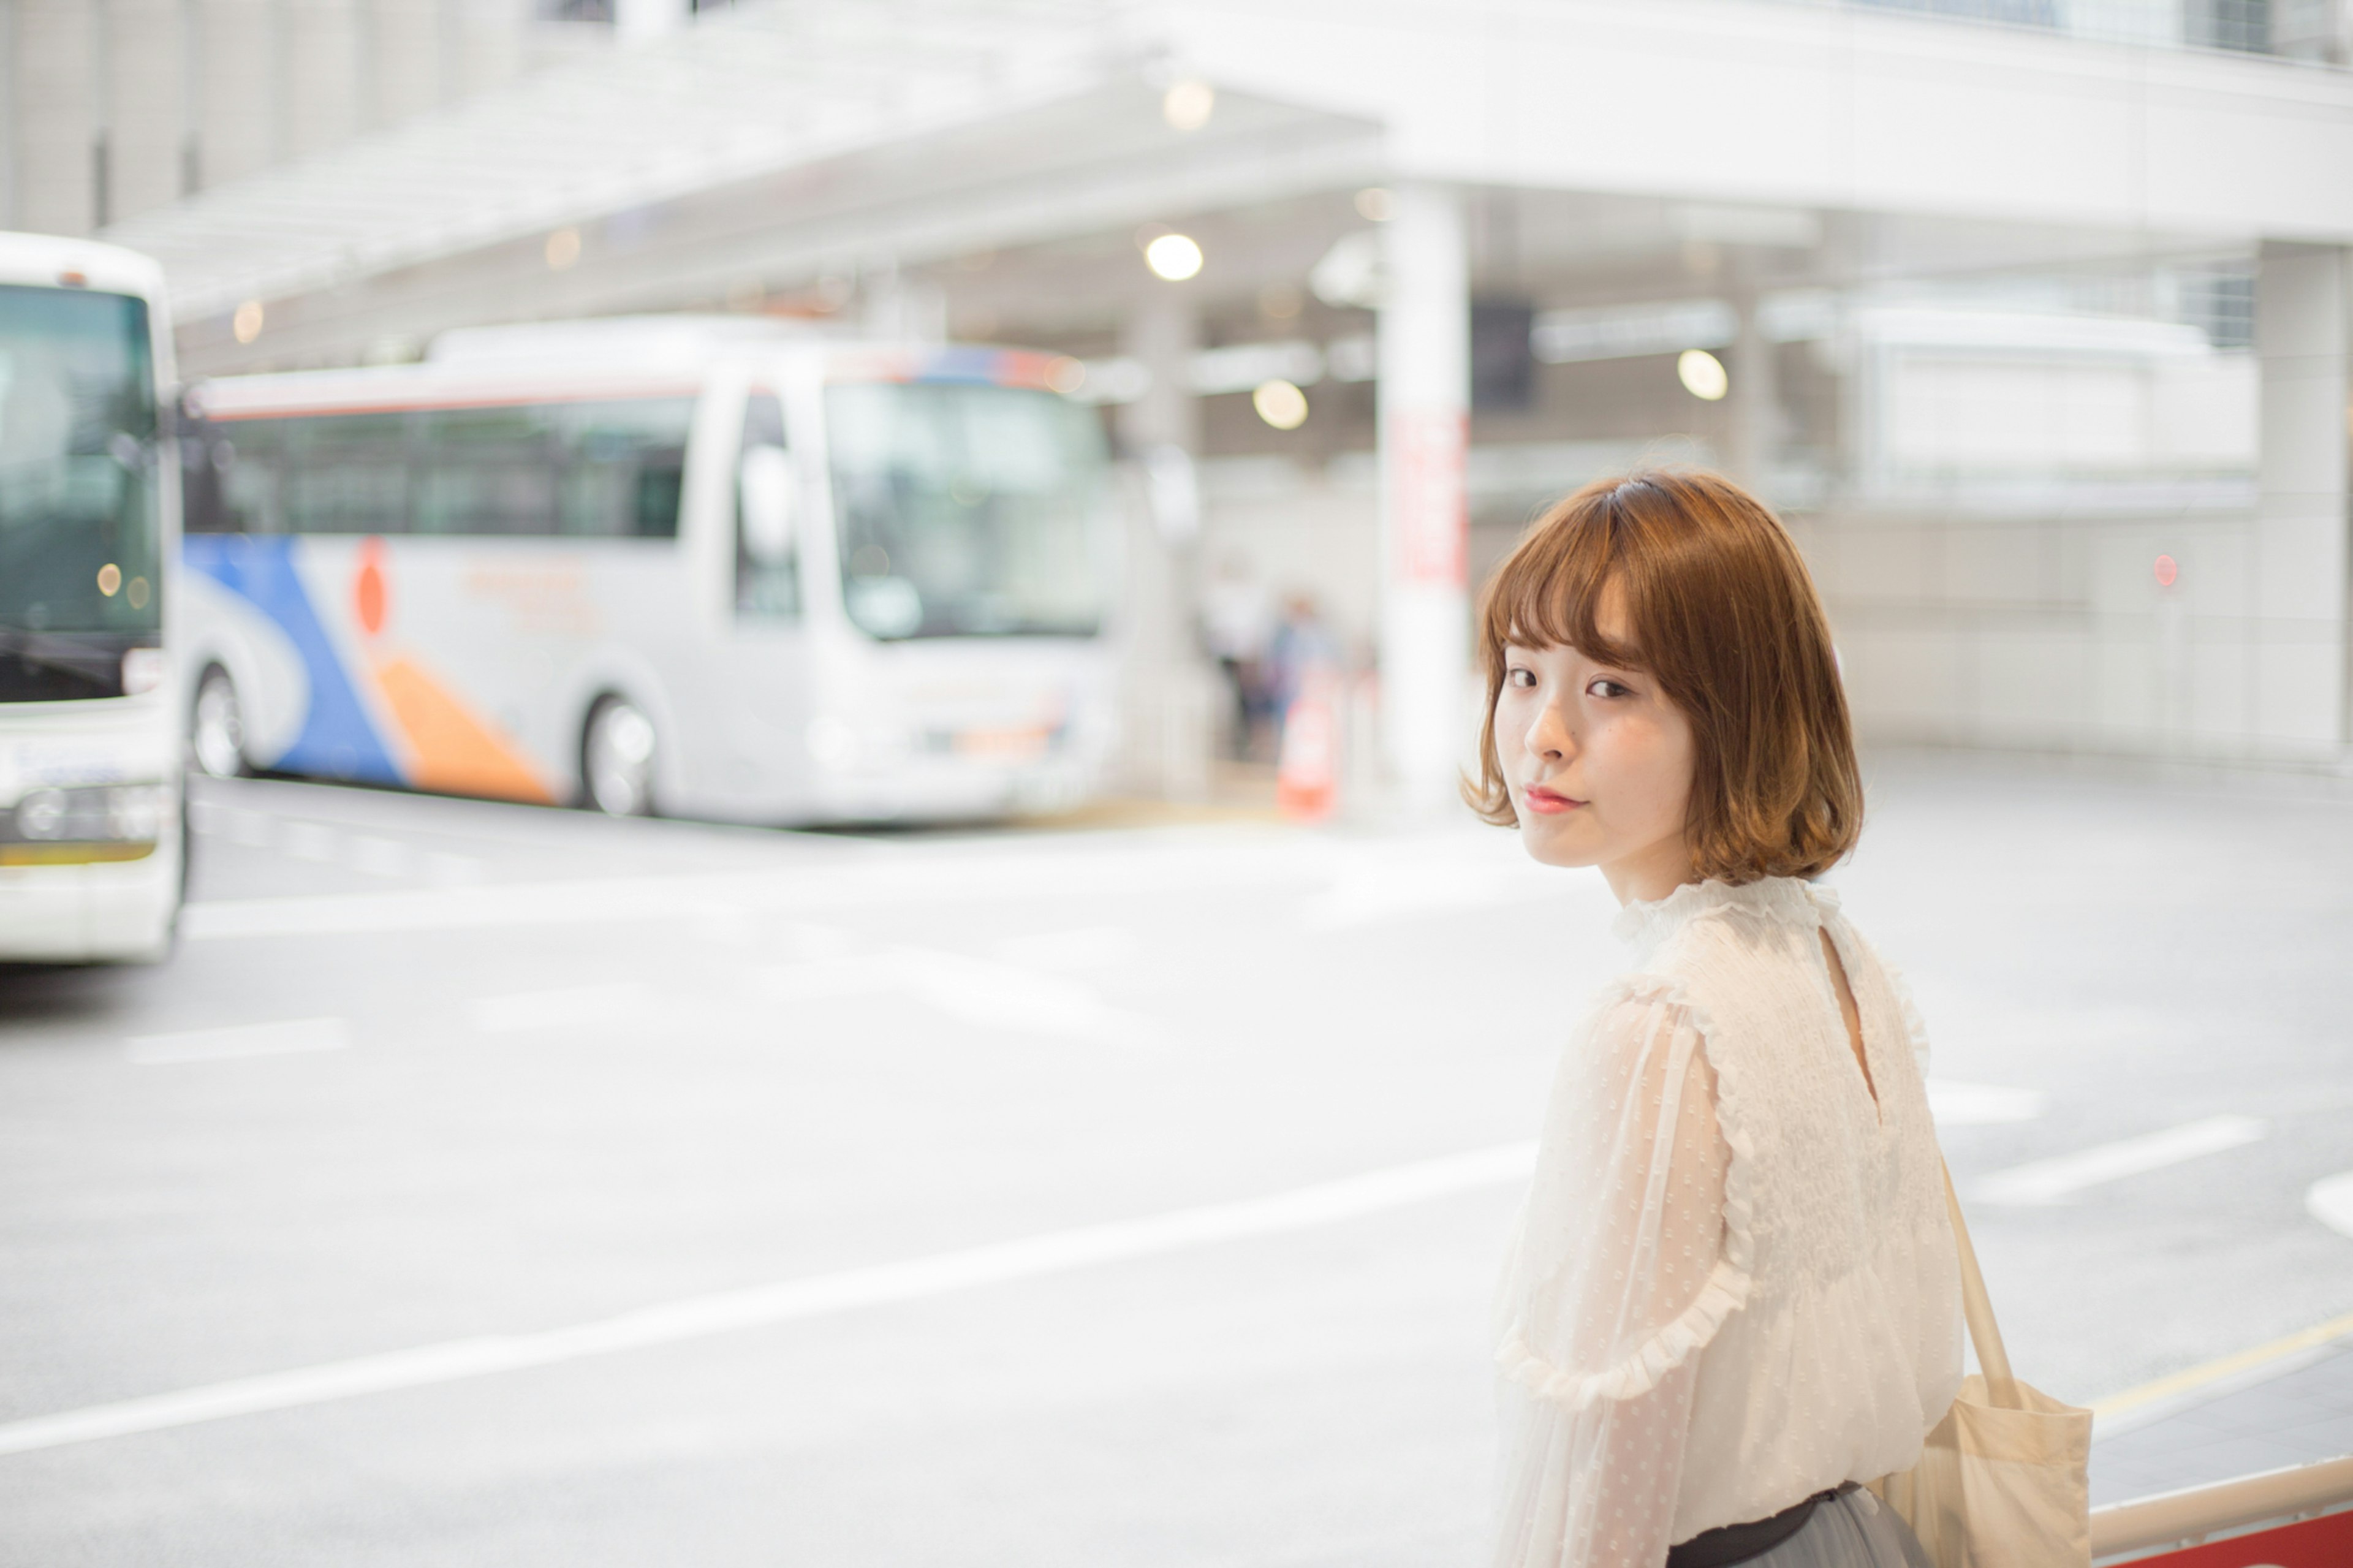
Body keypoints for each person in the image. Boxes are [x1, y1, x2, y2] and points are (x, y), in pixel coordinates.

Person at [1469, 471, 1961, 1568]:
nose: (1543, 734)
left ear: (1736, 710)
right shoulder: (1830, 951)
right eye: (1521, 673)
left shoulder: (1660, 1026)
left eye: (1611, 690)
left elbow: (1614, 1463)